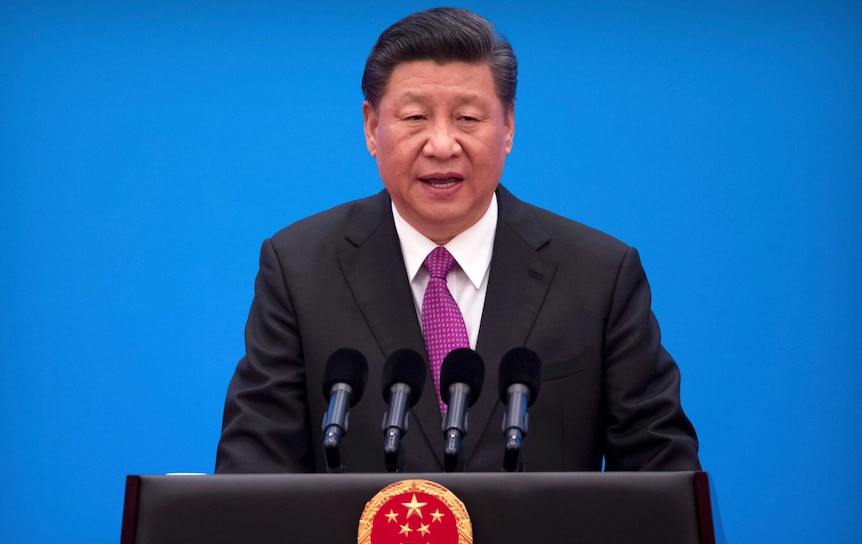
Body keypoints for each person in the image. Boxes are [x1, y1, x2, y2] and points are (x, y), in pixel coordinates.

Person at [215, 7, 700, 473]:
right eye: (414, 118)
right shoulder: (300, 269)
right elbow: (253, 472)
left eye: (467, 118)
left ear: (507, 126)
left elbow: (660, 473)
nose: (442, 144)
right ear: (371, 128)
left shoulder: (599, 275)